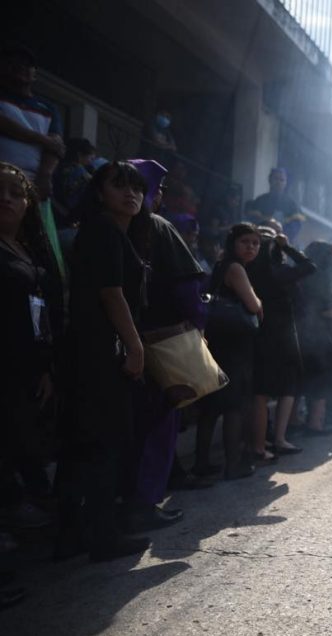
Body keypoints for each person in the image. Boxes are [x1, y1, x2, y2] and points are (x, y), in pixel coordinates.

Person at [57, 161, 151, 561]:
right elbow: (112, 294)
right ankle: (101, 536)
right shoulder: (103, 230)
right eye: (119, 186)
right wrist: (136, 347)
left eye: (137, 188)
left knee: (86, 443)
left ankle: (71, 535)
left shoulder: (114, 232)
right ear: (99, 192)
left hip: (92, 350)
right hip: (99, 351)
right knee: (102, 444)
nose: (130, 194)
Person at [122, 160, 206, 529]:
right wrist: (199, 329)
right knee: (158, 426)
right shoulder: (159, 227)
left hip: (115, 341)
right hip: (161, 344)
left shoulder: (105, 225)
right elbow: (188, 289)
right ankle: (143, 505)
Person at [0, 162, 61, 531]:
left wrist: (44, 368)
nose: (5, 198)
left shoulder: (26, 249)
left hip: (28, 368)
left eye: (15, 192)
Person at [193, 224, 263, 480]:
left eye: (256, 243)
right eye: (245, 242)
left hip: (219, 339)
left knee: (211, 405)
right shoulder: (235, 268)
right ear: (233, 243)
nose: (251, 247)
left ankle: (201, 463)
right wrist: (260, 303)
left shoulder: (222, 265)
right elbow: (253, 303)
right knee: (233, 405)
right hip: (234, 344)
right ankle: (233, 465)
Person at [248, 226, 316, 461]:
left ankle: (260, 442)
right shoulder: (277, 271)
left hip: (257, 333)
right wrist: (287, 246)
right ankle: (277, 439)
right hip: (281, 335)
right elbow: (309, 266)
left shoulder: (247, 269)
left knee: (260, 391)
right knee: (286, 386)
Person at [0, 43, 66, 280]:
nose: (21, 68)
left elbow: (56, 146)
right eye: (13, 62)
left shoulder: (48, 108)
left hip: (34, 188)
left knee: (39, 248)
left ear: (35, 73)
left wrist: (45, 176)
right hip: (2, 184)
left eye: (28, 65)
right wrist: (40, 138)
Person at [297, 240, 332, 434]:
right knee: (320, 380)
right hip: (319, 336)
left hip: (301, 333)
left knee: (305, 381)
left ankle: (298, 420)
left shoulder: (300, 273)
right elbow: (329, 310)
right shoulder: (320, 277)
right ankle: (315, 423)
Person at [245, 168, 305, 242]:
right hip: (262, 241)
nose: (278, 182)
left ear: (286, 183)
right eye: (276, 179)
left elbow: (296, 225)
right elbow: (252, 221)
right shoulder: (260, 201)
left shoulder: (292, 204)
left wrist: (281, 233)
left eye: (282, 180)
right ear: (270, 180)